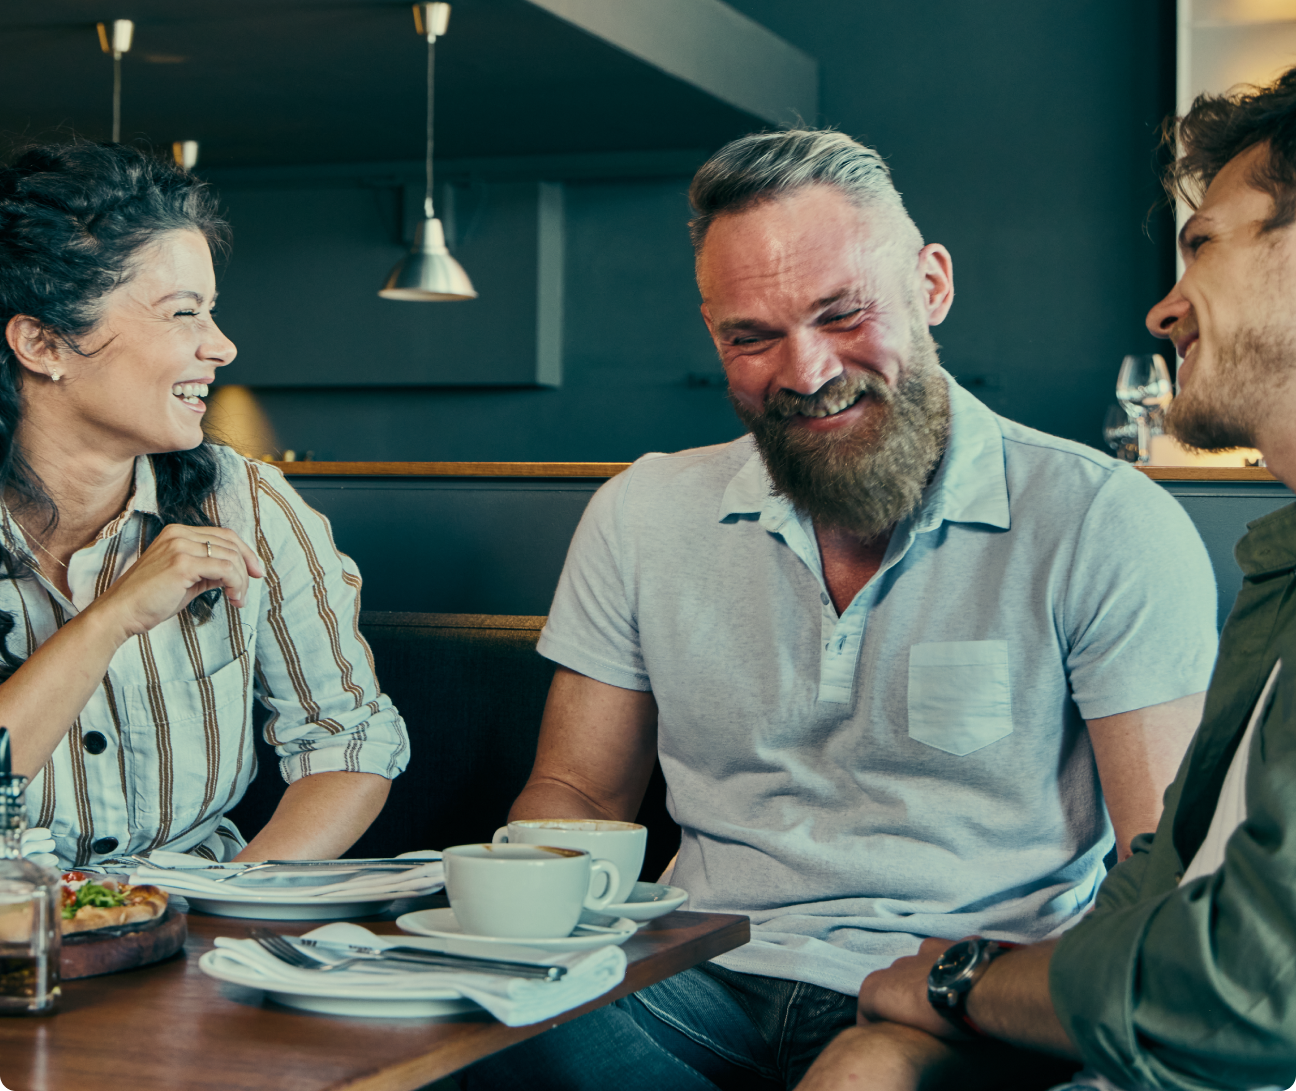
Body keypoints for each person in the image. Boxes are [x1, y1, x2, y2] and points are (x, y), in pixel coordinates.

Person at [458, 128, 1217, 1091]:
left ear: (931, 286)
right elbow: (578, 792)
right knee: (462, 1039)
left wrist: (980, 999)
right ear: (714, 335)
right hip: (692, 976)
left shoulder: (1103, 521)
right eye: (753, 336)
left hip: (958, 1000)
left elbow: (1164, 874)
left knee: (862, 1078)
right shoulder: (641, 513)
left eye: (843, 314)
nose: (807, 371)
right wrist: (510, 934)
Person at [805, 70, 1296, 1091]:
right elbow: (1159, 880)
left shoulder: (1104, 521)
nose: (1165, 308)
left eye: (1203, 244)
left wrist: (957, 980)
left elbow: (1243, 992)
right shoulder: (1281, 573)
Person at [0, 141, 408, 870]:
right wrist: (112, 616)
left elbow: (347, 740)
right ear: (42, 341)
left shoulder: (245, 502)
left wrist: (233, 906)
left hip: (195, 929)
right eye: (183, 313)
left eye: (211, 312)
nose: (221, 346)